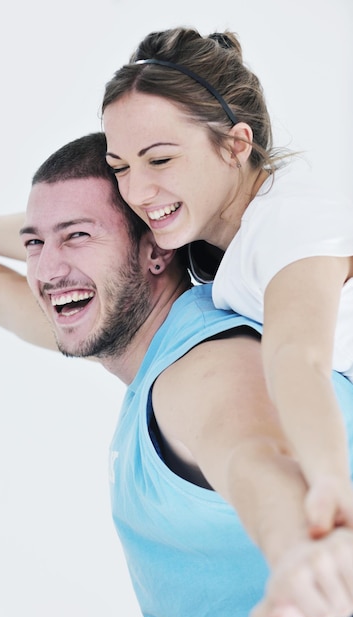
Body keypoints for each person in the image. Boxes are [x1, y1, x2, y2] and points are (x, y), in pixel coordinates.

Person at [0, 132, 353, 617]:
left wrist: (296, 546)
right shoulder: (139, 335)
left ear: (156, 250)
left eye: (78, 236)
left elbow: (255, 458)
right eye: (33, 243)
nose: (47, 268)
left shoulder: (203, 367)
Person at [101, 26, 353, 541]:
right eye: (120, 167)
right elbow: (69, 238)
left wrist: (328, 484)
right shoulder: (214, 233)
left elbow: (296, 358)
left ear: (237, 144)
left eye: (160, 159)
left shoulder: (287, 223)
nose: (137, 190)